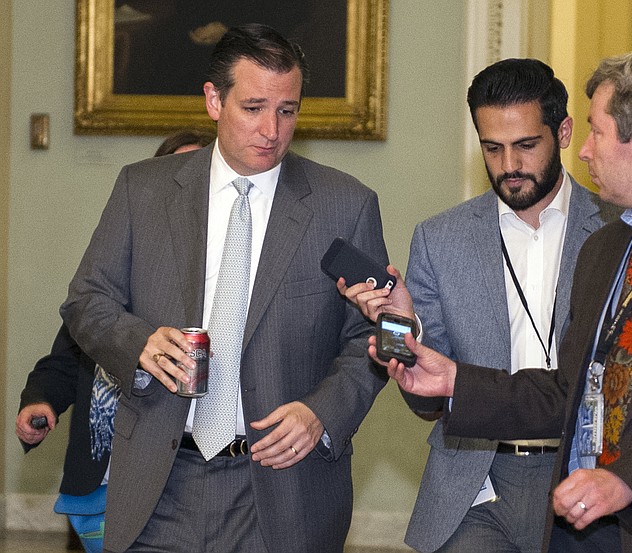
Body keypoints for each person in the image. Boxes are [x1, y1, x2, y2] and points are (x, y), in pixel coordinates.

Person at [363, 44, 632, 552]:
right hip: (577, 530)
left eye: (597, 130)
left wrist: (625, 480)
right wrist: (457, 382)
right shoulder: (609, 248)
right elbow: (568, 392)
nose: (586, 150)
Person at [60, 24, 389, 553]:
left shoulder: (344, 205)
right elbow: (86, 302)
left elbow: (372, 339)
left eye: (287, 111)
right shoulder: (142, 190)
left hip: (283, 489)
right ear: (214, 100)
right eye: (254, 107)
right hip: (160, 478)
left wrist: (323, 414)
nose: (271, 130)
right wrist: (138, 343)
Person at [342, 58, 615, 553]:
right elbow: (426, 402)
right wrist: (400, 331)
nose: (509, 165)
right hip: (477, 482)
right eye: (493, 148)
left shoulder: (617, 229)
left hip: (584, 471)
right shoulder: (440, 238)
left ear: (565, 132)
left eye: (526, 145)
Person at [15, 129, 216, 553]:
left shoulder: (218, 295)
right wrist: (41, 401)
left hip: (175, 483)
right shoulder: (110, 286)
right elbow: (64, 359)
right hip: (98, 485)